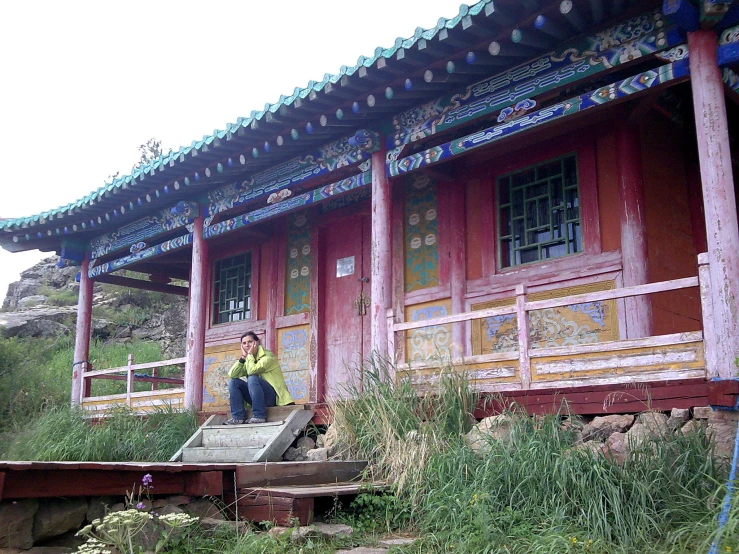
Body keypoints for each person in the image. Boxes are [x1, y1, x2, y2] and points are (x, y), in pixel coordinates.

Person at [224, 331, 294, 425]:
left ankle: (259, 416)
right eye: (244, 343)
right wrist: (243, 358)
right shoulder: (248, 359)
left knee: (252, 378)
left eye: (250, 342)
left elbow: (252, 371)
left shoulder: (268, 356)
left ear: (257, 342)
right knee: (233, 382)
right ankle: (238, 417)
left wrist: (249, 356)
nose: (247, 345)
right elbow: (232, 374)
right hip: (255, 399)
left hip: (271, 398)